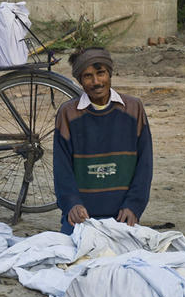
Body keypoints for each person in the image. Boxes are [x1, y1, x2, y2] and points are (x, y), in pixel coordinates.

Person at [53, 47, 153, 235]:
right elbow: (61, 168)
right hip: (83, 217)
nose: (96, 82)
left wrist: (133, 206)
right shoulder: (68, 113)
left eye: (101, 73)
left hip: (122, 215)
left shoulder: (133, 109)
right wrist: (72, 204)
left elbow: (145, 165)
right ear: (80, 81)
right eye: (88, 76)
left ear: (110, 74)